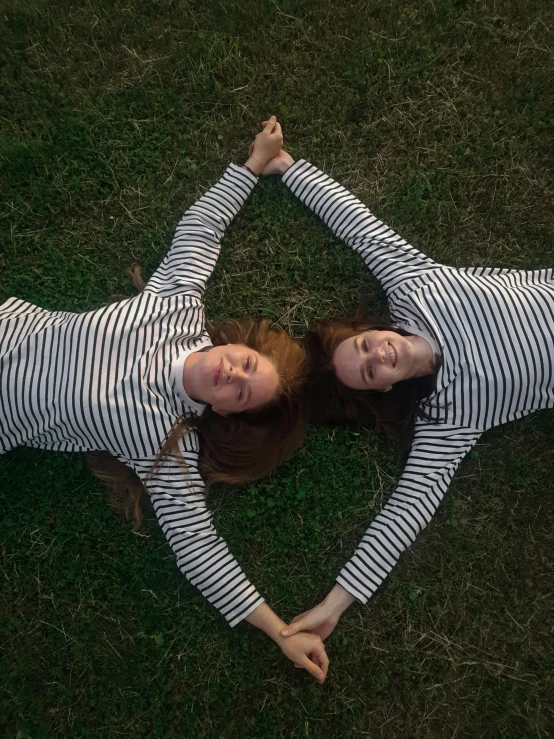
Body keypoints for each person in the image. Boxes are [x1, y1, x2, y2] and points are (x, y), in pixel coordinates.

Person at [0, 118, 328, 683]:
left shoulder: (167, 444)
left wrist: (277, 629)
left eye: (240, 393)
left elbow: (200, 550)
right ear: (238, 346)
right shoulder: (176, 305)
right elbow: (201, 230)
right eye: (246, 364)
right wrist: (254, 165)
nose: (231, 374)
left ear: (225, 413)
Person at [258, 145, 554, 644]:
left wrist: (288, 168)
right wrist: (335, 604)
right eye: (371, 371)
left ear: (372, 329)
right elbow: (405, 512)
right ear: (385, 388)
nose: (380, 355)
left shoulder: (416, 287)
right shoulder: (446, 417)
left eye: (367, 345)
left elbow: (359, 226)